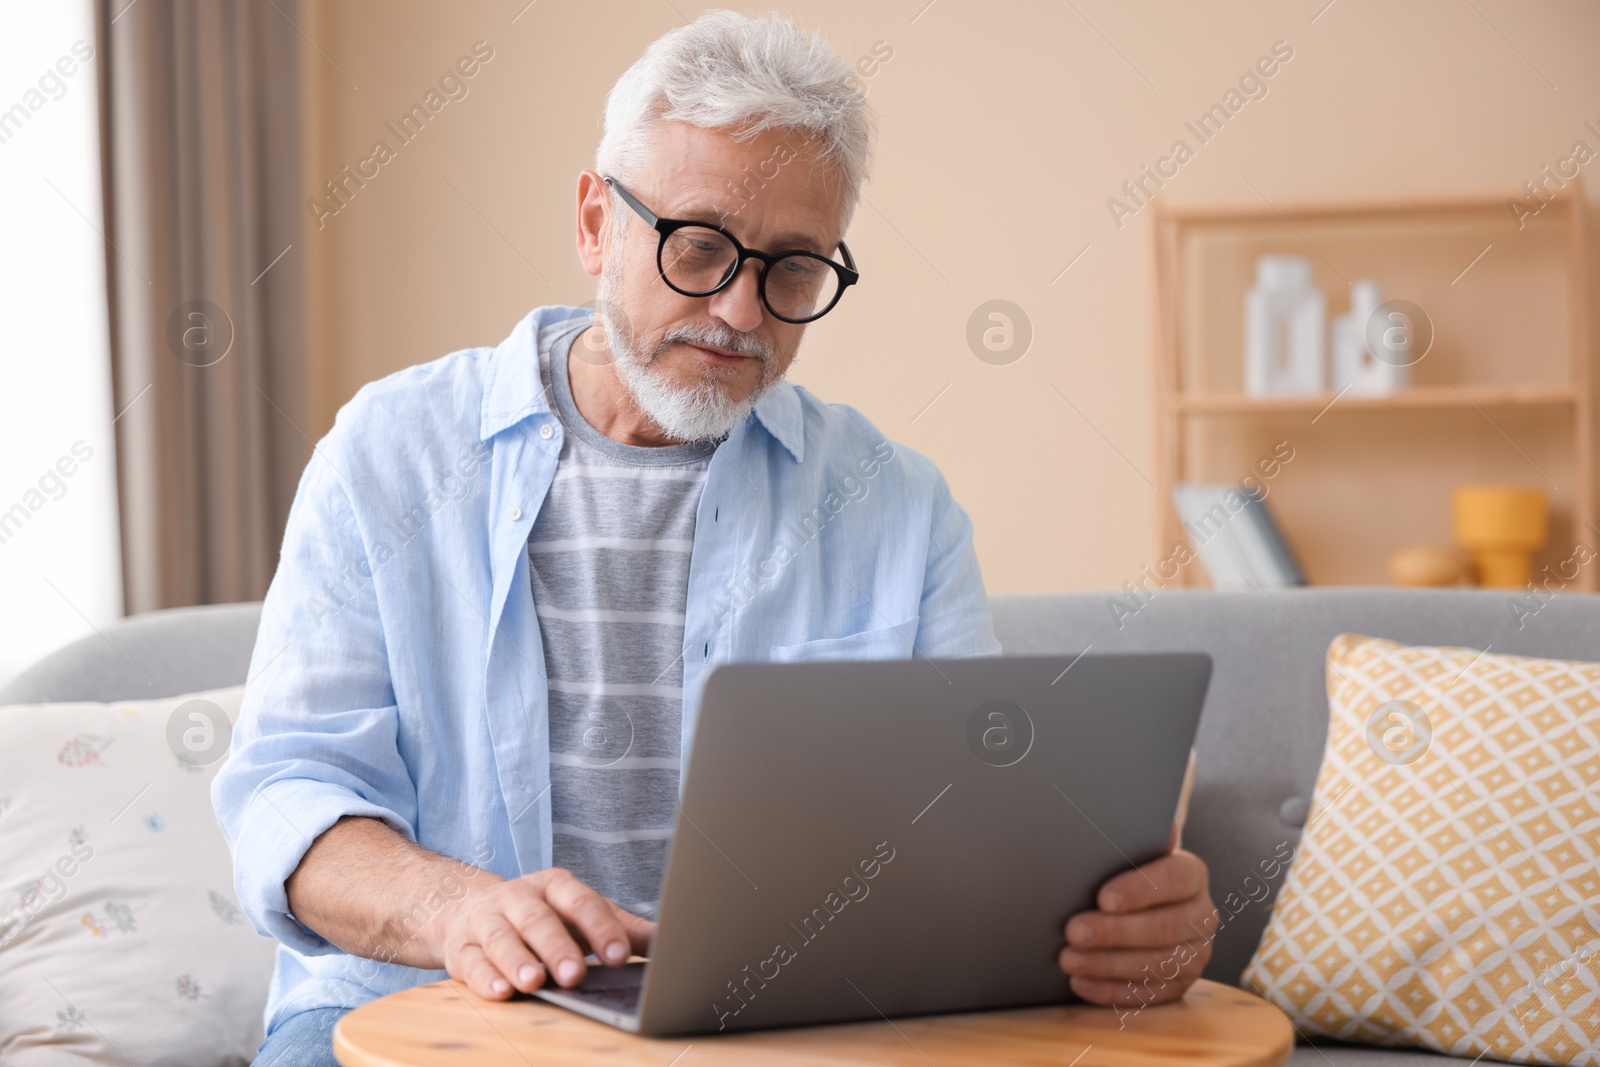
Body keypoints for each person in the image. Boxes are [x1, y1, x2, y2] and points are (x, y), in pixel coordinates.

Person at [215, 11, 1217, 1063]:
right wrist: (453, 907)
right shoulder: (391, 452)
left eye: (791, 268)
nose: (741, 311)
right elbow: (288, 795)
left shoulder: (896, 505)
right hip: (411, 1010)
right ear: (597, 222)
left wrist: (1134, 929)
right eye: (699, 246)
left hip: (775, 1030)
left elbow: (978, 828)